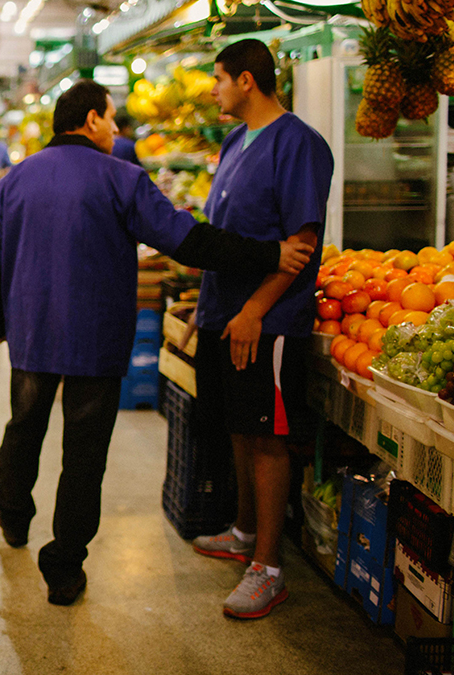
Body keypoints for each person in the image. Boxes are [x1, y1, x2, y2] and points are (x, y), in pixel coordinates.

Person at [0, 79, 315, 606]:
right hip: (98, 336)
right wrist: (270, 254)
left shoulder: (14, 180)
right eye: (111, 118)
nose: (116, 129)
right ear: (90, 120)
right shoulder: (122, 179)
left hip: (34, 332)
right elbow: (189, 240)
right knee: (84, 454)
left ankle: (13, 513)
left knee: (24, 425)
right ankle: (64, 567)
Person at [186, 39, 334, 620]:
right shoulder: (232, 140)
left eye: (219, 78)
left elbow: (302, 244)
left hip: (268, 322)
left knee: (269, 436)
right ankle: (245, 532)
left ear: (247, 80)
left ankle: (269, 569)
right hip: (227, 314)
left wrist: (255, 311)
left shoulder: (299, 144)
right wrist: (213, 307)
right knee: (240, 427)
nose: (214, 89)